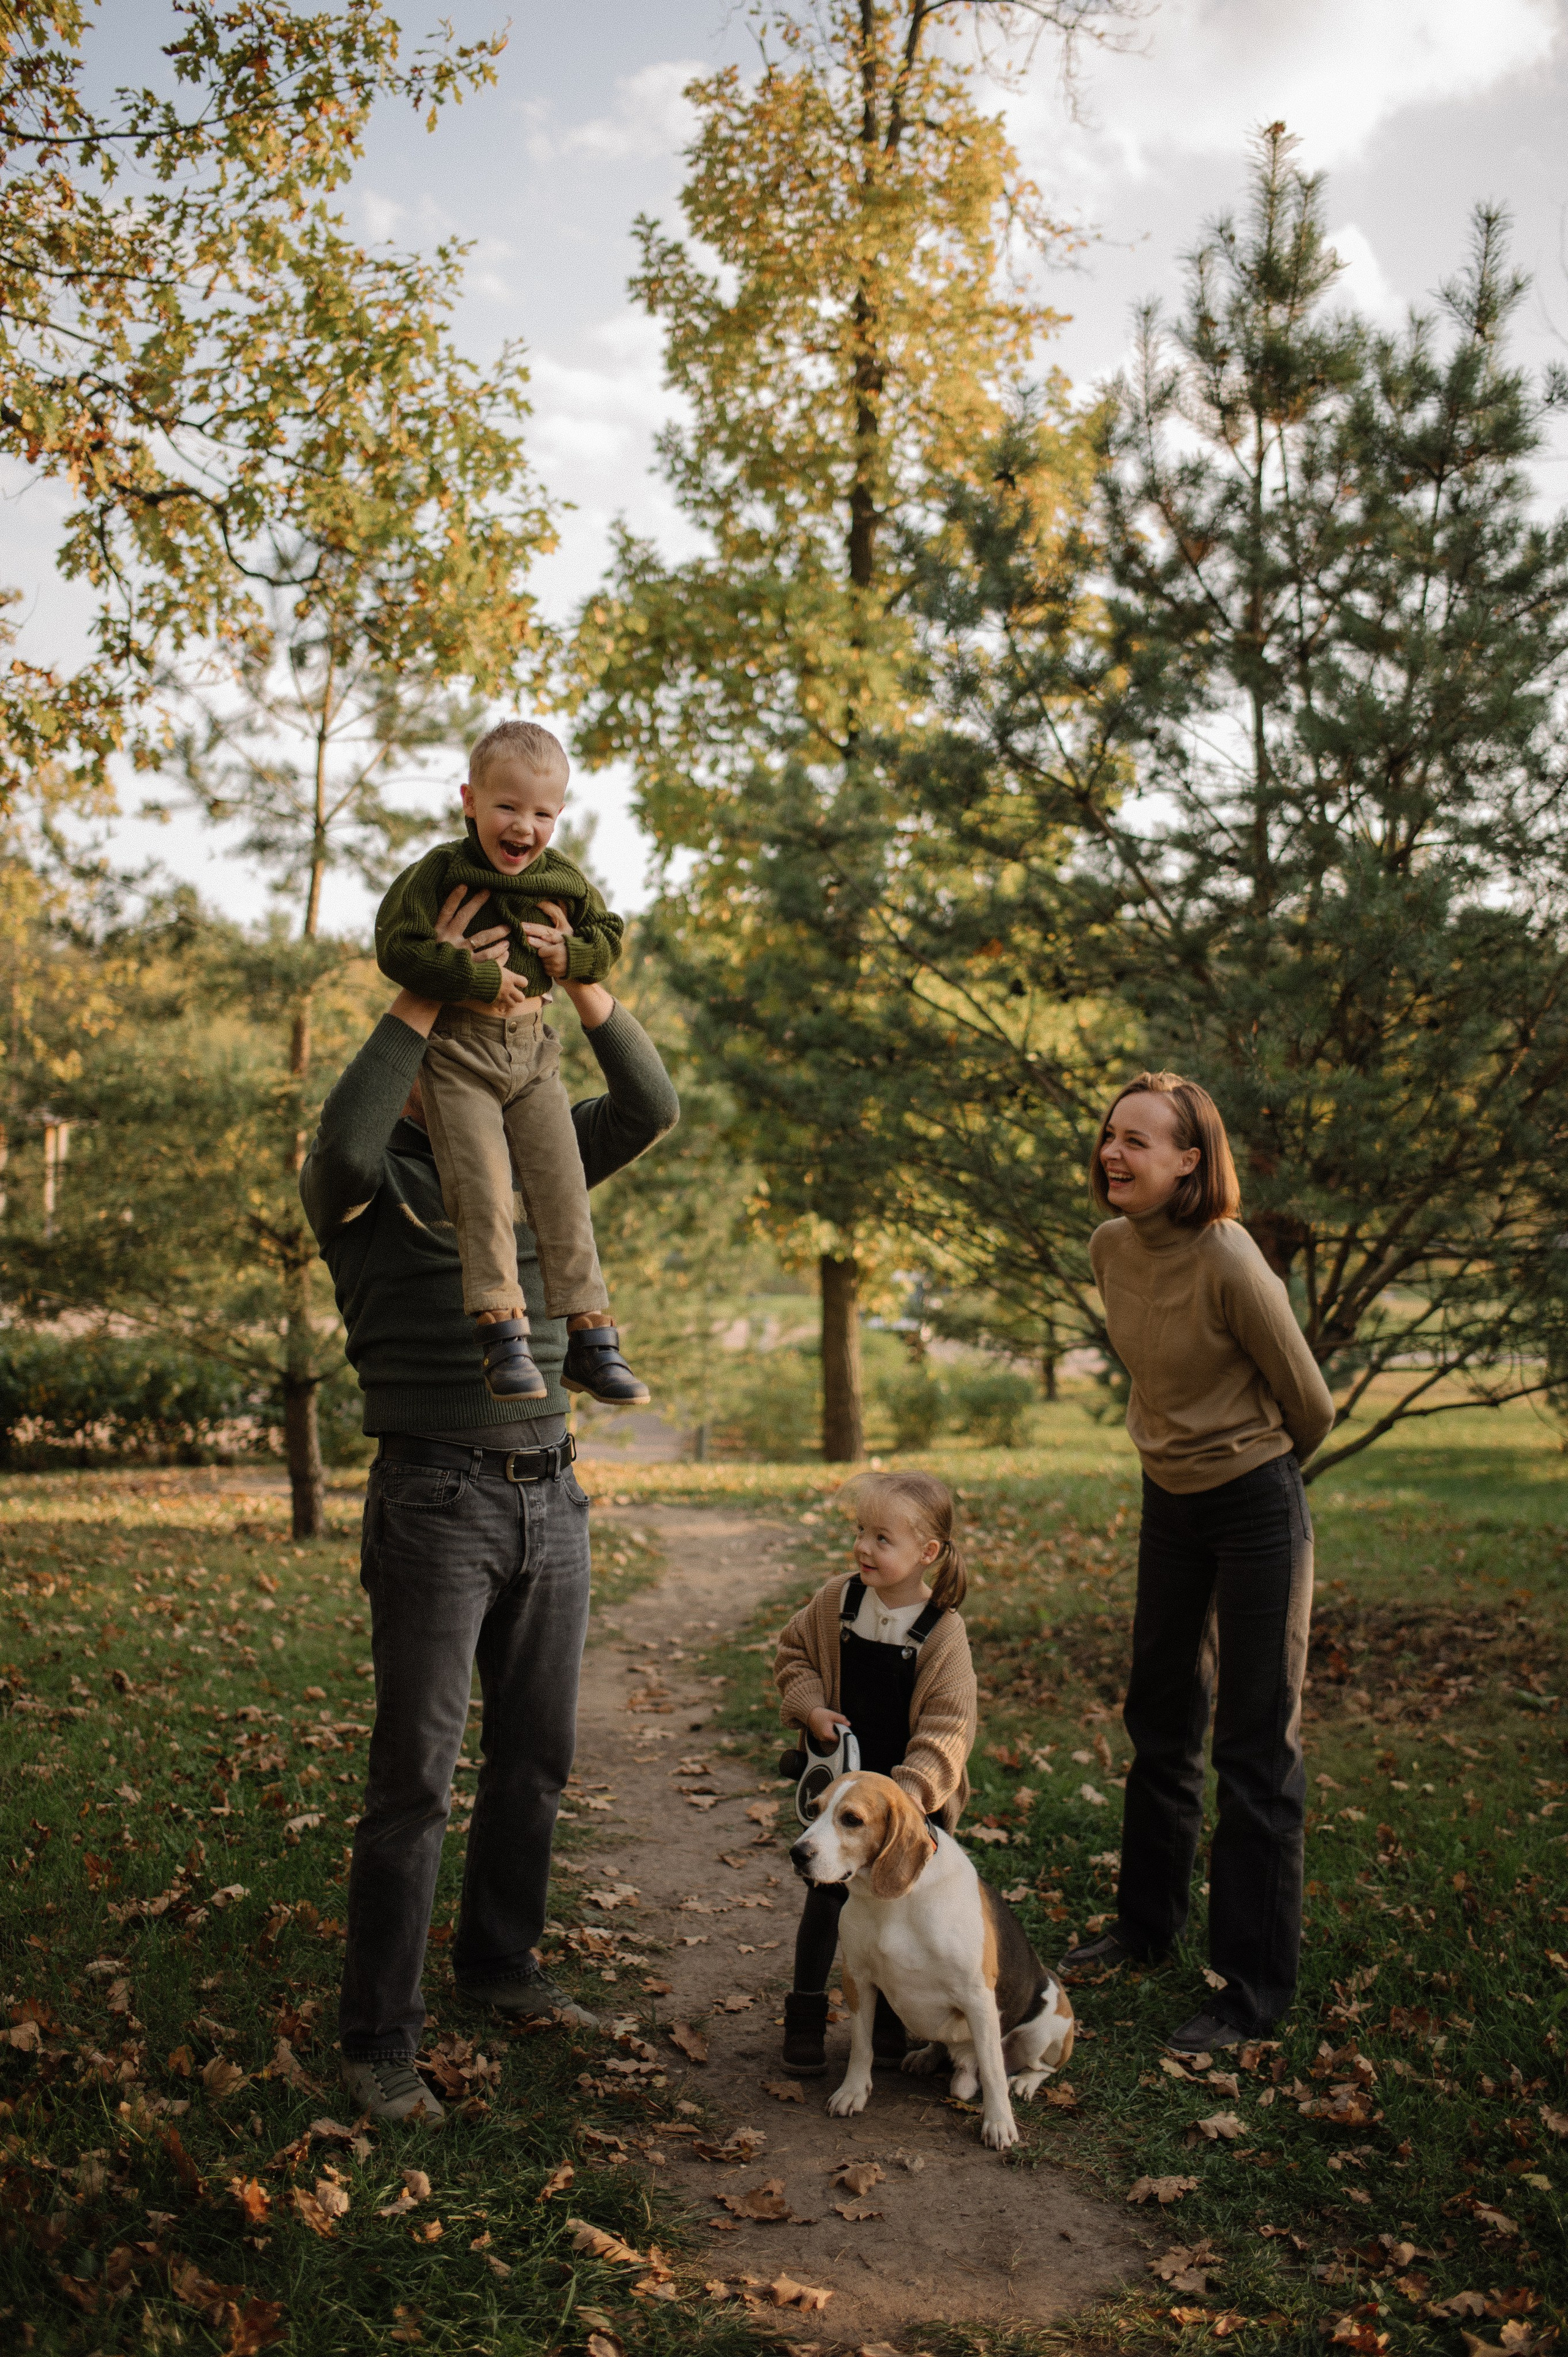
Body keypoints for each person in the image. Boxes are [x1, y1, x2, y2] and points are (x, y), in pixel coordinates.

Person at [299, 883, 679, 2125]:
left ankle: (501, 1963)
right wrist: (431, 982)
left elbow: (647, 1106)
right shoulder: (365, 1194)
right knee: (415, 1780)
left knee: (536, 1760)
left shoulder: (527, 1160)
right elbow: (343, 1144)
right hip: (435, 1498)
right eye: (442, 1042)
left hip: (551, 1493)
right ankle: (378, 2041)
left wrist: (578, 978)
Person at [1061, 1070, 1335, 2054]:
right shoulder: (1108, 1248)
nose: (1114, 1153)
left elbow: (1311, 1404)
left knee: (1257, 1749)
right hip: (1167, 1498)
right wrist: (1179, 1458)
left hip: (1257, 1500)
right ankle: (1145, 1928)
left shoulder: (1230, 1259)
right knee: (1161, 1717)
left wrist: (1245, 1467)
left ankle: (1251, 1994)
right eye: (1110, 1135)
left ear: (1191, 1161)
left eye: (1139, 1140)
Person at [374, 718, 649, 1408]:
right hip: (459, 1054)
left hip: (534, 1054)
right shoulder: (436, 872)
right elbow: (396, 948)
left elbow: (607, 935)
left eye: (542, 813)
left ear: (559, 816)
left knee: (562, 1190)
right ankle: (504, 1337)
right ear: (469, 800)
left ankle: (592, 1338)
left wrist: (572, 960)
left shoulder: (561, 877)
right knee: (485, 1193)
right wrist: (466, 977)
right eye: (507, 807)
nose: (523, 826)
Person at [772, 1470, 977, 2076]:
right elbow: (793, 1653)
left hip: (906, 1804)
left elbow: (949, 1725)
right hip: (843, 1798)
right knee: (825, 1902)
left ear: (927, 1552)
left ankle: (889, 2025)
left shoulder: (943, 1632)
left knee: (897, 1913)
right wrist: (809, 1708)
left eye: (882, 1537)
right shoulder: (835, 1603)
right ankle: (806, 2018)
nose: (863, 1546)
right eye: (860, 1531)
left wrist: (909, 1794)